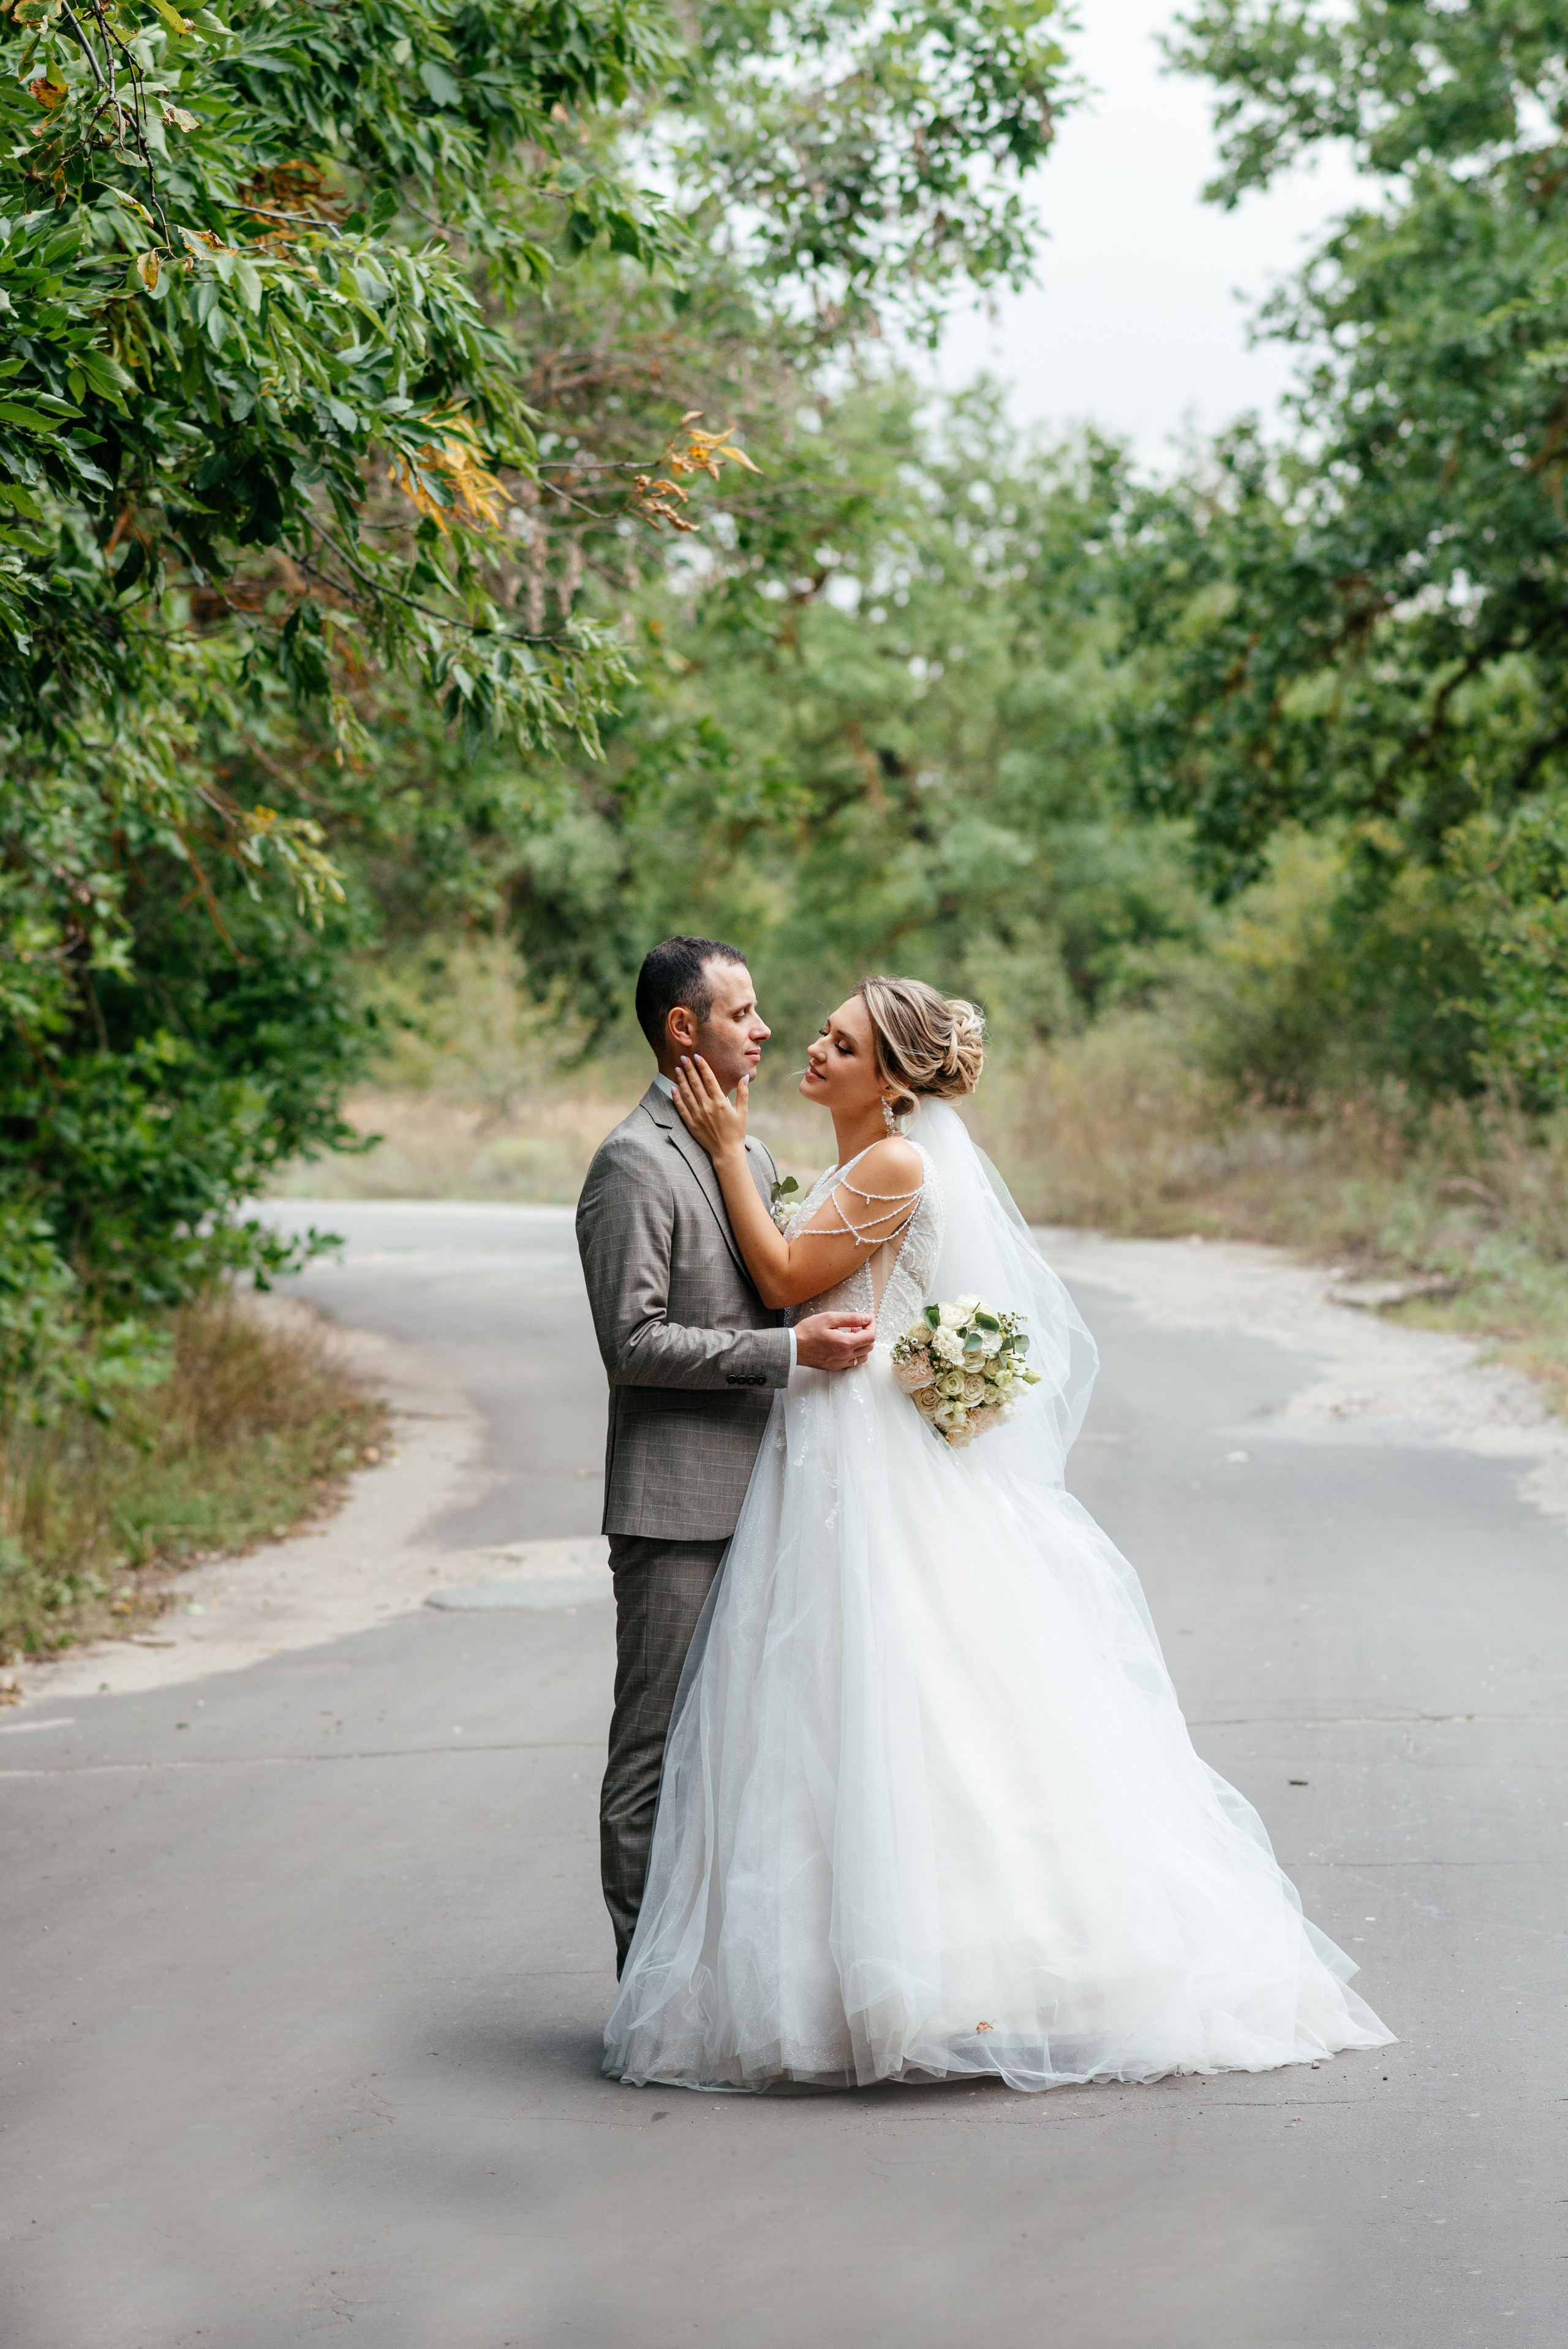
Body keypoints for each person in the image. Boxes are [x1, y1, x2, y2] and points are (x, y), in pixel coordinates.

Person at [603, 975, 1395, 2091]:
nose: (812, 1050)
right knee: (829, 1712)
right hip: (825, 1445)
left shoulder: (893, 1162)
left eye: (839, 1043)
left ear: (890, 1079)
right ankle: (836, 1975)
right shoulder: (845, 1162)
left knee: (899, 1703)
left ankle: (937, 1972)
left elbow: (783, 1274)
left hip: (859, 1454)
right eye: (819, 1036)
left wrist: (729, 1145)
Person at [576, 937, 876, 1975]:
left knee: (750, 1757)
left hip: (778, 1497)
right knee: (656, 1759)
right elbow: (634, 1343)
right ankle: (643, 1993)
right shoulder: (630, 1163)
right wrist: (787, 1352)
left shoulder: (745, 1153)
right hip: (678, 1510)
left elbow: (784, 1278)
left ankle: (720, 1991)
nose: (762, 1030)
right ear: (683, 1029)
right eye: (742, 1014)